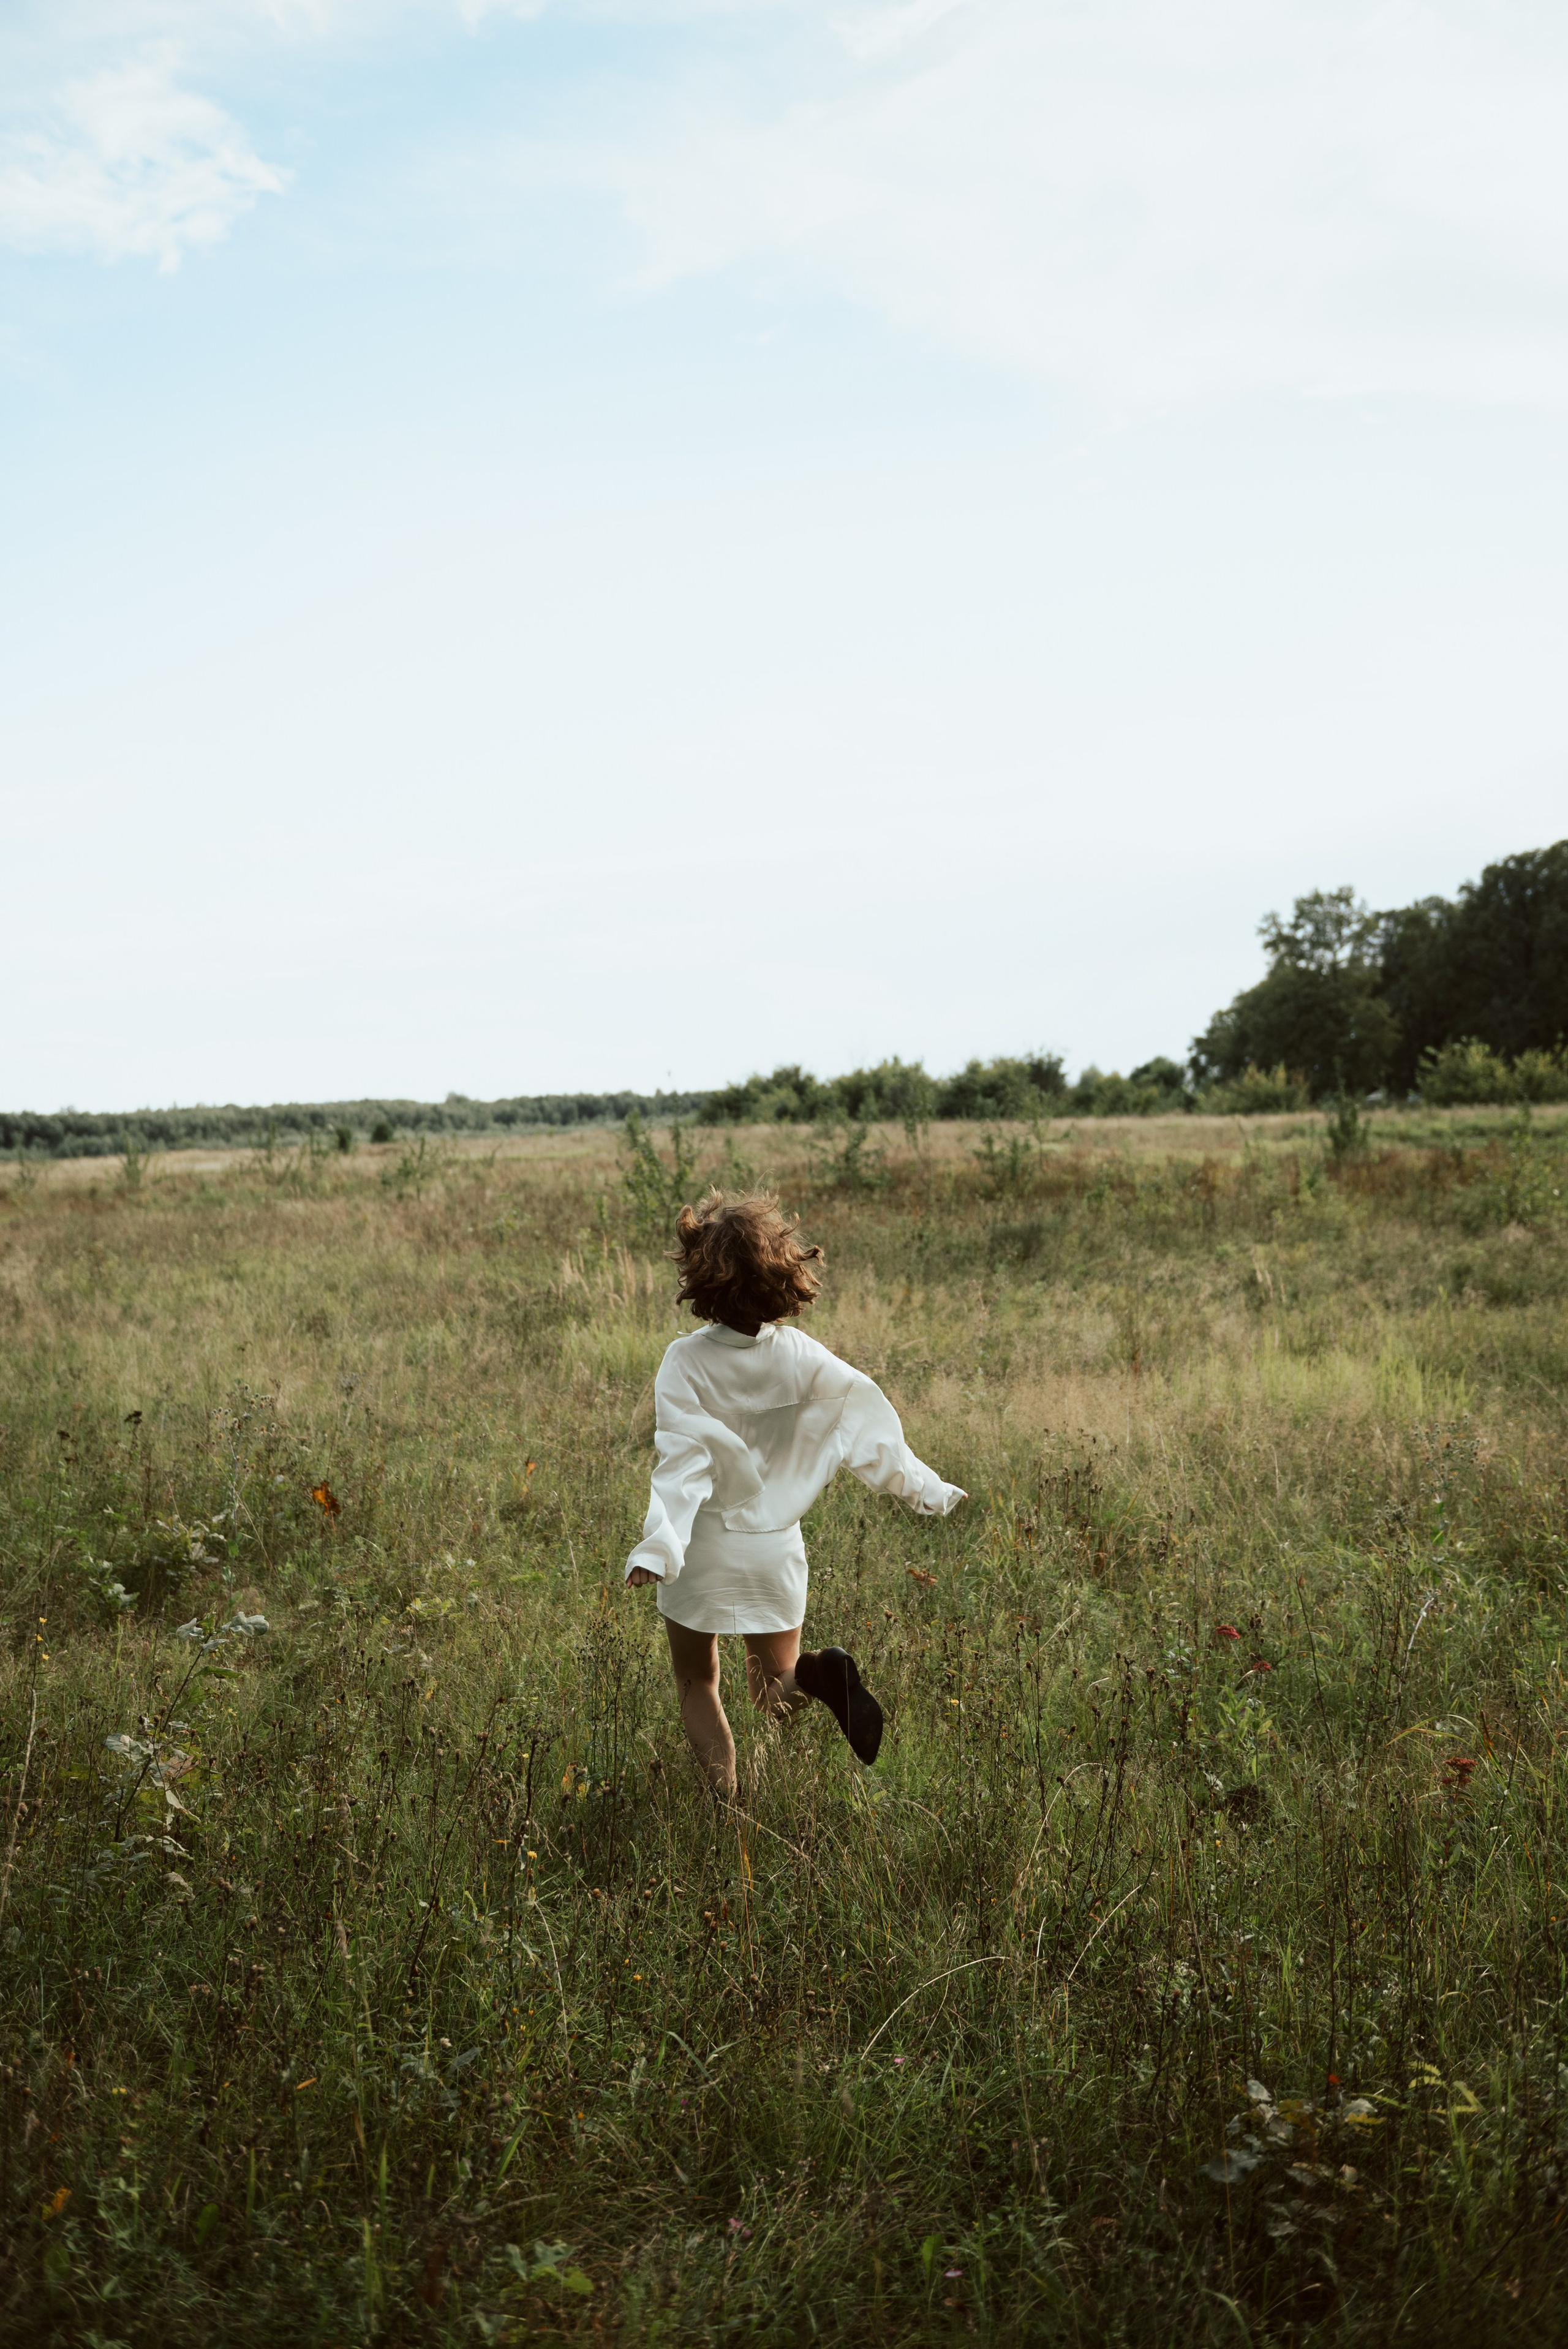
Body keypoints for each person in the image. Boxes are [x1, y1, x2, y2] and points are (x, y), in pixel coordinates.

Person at [623, 1188, 966, 1797]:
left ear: (700, 1276)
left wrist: (660, 1544)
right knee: (776, 1691)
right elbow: (869, 1423)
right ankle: (819, 1674)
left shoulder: (684, 1361)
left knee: (696, 1682)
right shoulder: (806, 1358)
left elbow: (684, 1462)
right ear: (780, 1272)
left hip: (704, 1547)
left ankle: (725, 1811)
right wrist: (928, 1491)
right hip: (774, 1551)